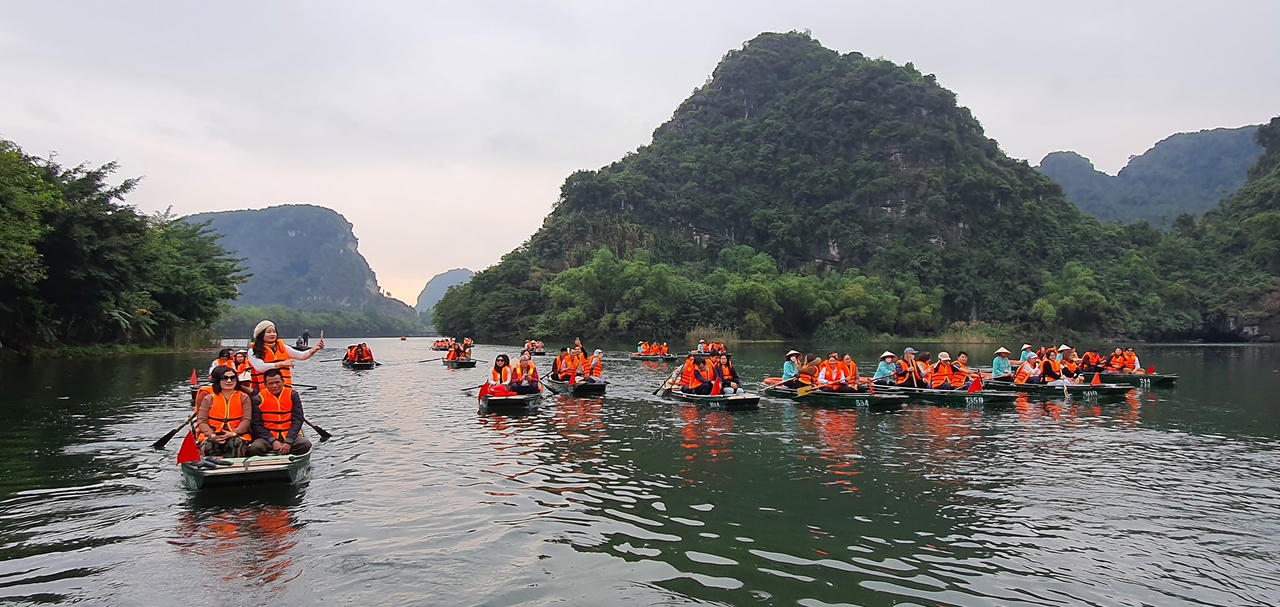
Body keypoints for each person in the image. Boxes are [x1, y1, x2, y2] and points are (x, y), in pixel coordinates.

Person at [247, 368, 312, 457]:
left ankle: (289, 454)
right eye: (271, 383)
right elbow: (257, 425)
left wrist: (288, 441)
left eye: (277, 382)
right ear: (265, 384)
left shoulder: (293, 395)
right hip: (268, 437)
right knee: (255, 448)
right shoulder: (258, 399)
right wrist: (273, 440)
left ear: (283, 381)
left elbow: (298, 420)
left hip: (290, 434)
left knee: (305, 444)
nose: (274, 386)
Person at [248, 320, 324, 392]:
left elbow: (302, 356)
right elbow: (260, 367)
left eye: (274, 332)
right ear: (261, 335)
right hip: (264, 391)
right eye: (268, 332)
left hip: (285, 389)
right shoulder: (253, 351)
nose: (272, 334)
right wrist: (282, 364)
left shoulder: (283, 347)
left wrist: (315, 349)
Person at [196, 365, 253, 458]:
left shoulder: (244, 397)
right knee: (209, 446)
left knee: (235, 444)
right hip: (213, 433)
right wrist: (212, 435)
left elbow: (246, 419)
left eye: (232, 378)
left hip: (236, 434)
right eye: (225, 378)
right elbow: (202, 421)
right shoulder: (209, 398)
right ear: (218, 381)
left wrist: (234, 433)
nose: (229, 381)